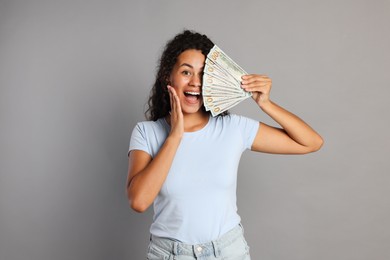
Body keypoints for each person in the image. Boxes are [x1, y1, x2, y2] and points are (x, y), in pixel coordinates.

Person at [126, 30, 323, 260]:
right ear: (167, 77)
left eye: (203, 73)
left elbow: (311, 142)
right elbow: (138, 201)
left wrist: (265, 104)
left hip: (227, 253)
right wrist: (174, 137)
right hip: (169, 254)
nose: (195, 82)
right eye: (186, 71)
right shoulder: (146, 133)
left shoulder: (233, 128)